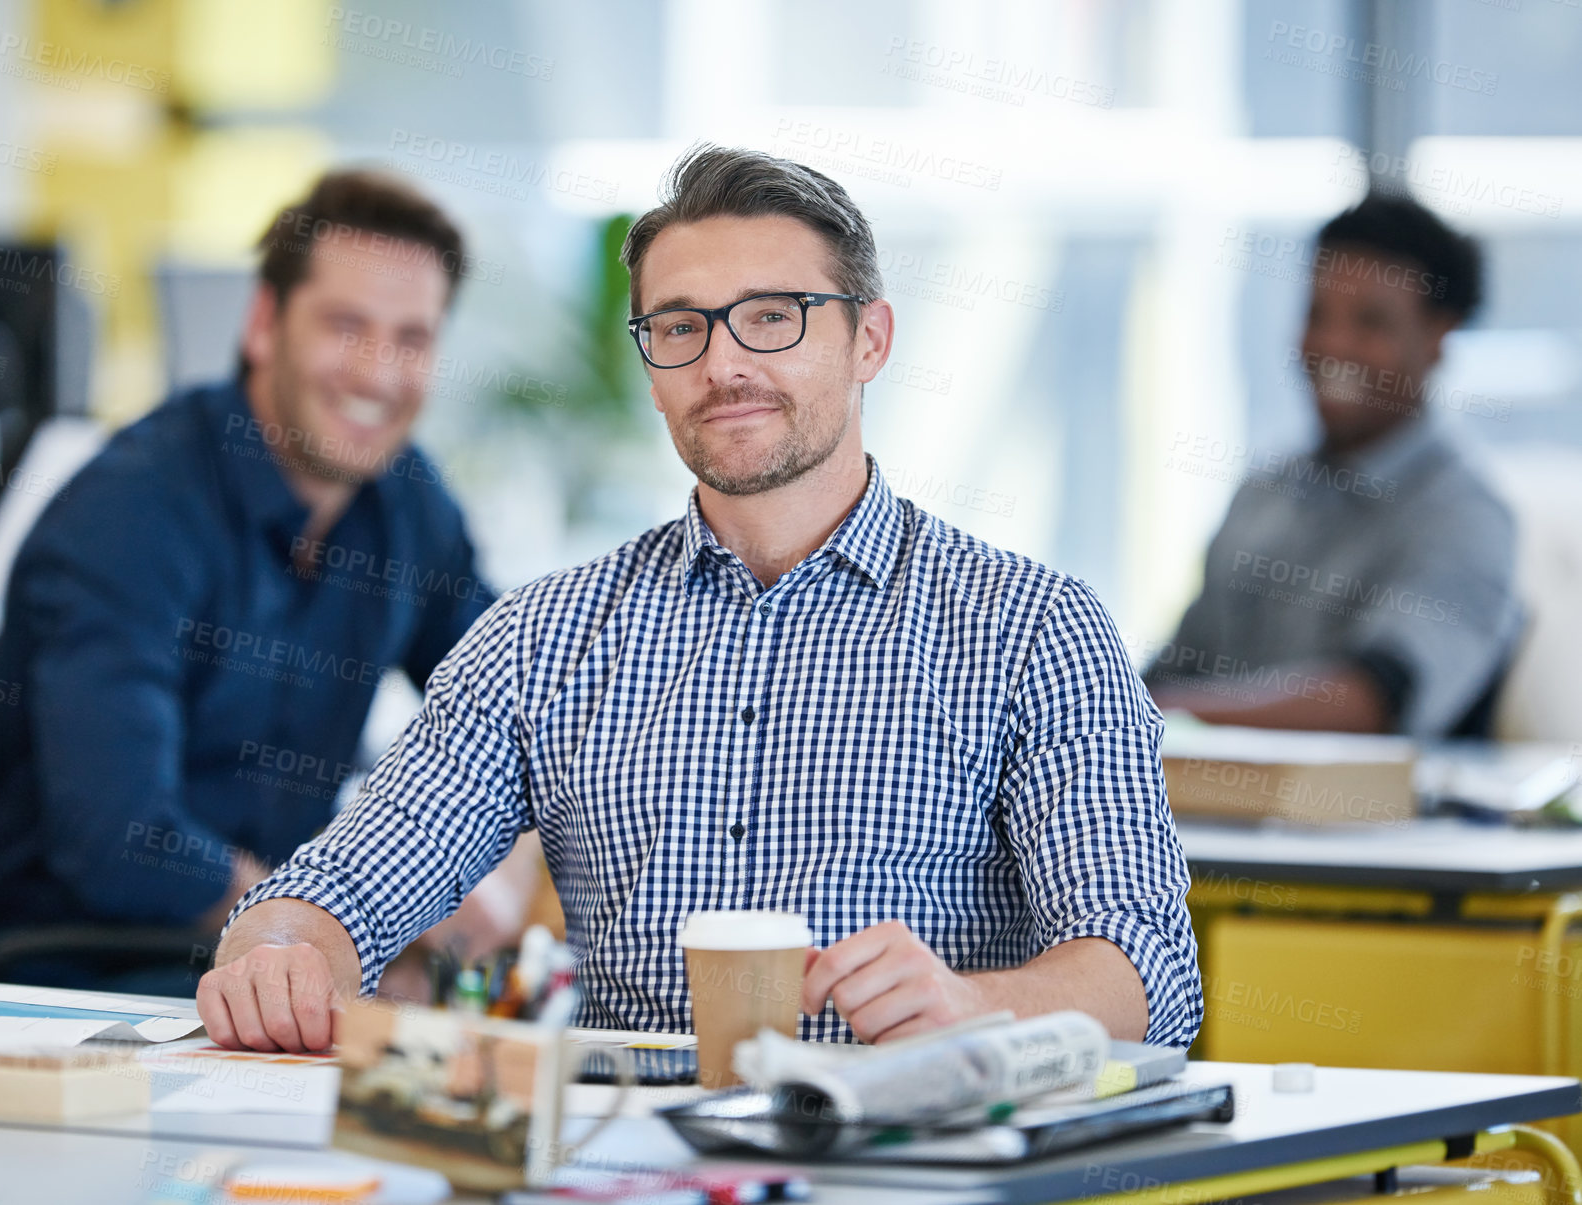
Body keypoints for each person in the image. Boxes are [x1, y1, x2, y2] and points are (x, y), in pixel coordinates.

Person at [200, 145, 1202, 1053]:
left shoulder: (1034, 630)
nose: (724, 364)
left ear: (870, 340)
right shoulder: (543, 638)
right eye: (681, 326)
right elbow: (337, 889)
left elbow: (1147, 965)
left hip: (906, 1159)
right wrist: (283, 949)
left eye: (773, 316)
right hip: (619, 1163)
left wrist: (979, 1004)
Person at [0, 169, 537, 993]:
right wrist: (316, 930)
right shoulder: (129, 513)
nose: (378, 373)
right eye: (346, 324)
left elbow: (532, 709)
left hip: (287, 967)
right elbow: (122, 840)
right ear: (264, 323)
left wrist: (493, 890)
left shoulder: (404, 502)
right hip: (87, 968)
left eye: (413, 338)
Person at [1147, 193, 1519, 737]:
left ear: (1439, 336)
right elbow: (1177, 668)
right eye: (1316, 314)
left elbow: (1372, 703)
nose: (1331, 344)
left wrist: (1152, 717)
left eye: (1371, 323)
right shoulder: (1264, 490)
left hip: (1364, 819)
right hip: (1201, 814)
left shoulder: (1466, 515)